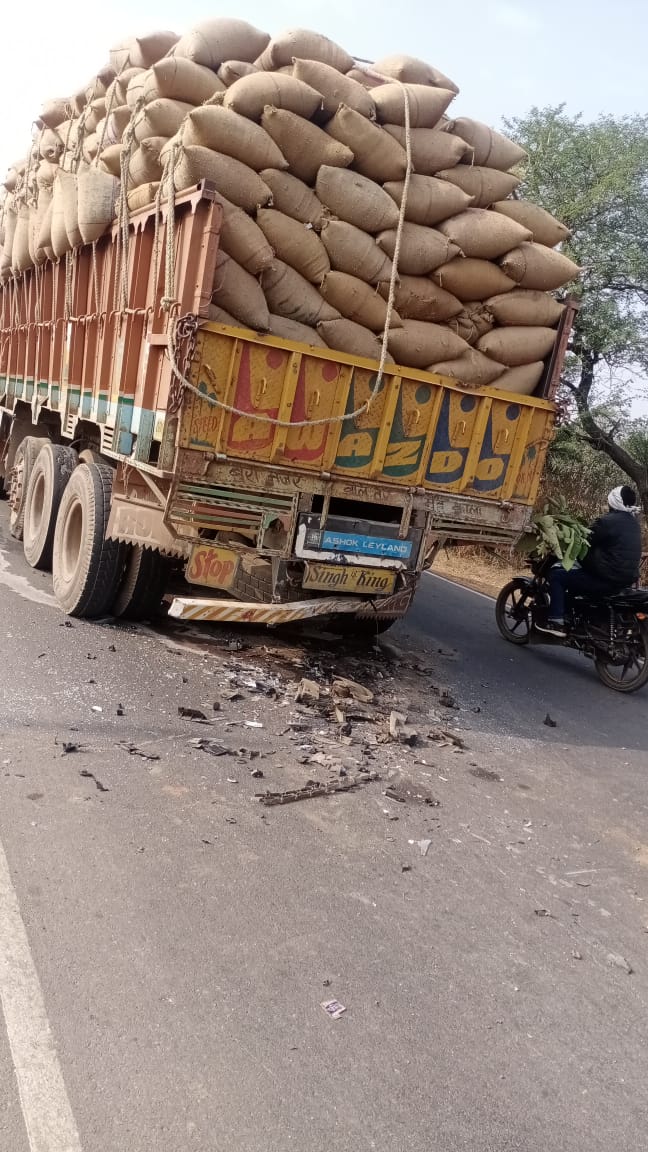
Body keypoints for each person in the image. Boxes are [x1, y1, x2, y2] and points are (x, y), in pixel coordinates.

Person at [538, 485, 643, 638]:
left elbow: (584, 541)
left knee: (558, 576)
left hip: (605, 578)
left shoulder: (607, 521)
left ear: (612, 502)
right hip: (625, 580)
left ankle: (556, 622)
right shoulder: (634, 524)